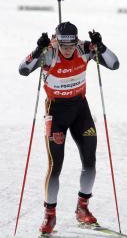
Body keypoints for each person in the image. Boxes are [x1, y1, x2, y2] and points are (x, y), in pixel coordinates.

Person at [19, 21, 119, 235]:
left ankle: (82, 209)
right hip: (56, 113)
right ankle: (50, 215)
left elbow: (114, 64)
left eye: (70, 45)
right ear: (57, 41)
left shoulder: (83, 48)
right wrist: (38, 50)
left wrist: (101, 47)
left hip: (80, 111)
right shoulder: (49, 53)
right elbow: (23, 70)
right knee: (55, 167)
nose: (67, 49)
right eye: (63, 45)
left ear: (75, 41)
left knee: (90, 162)